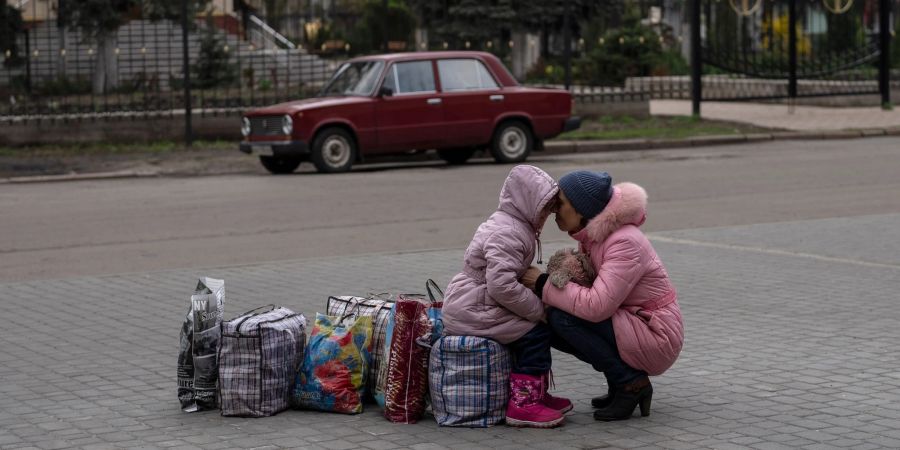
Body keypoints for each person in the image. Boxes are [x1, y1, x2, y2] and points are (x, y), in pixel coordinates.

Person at [522, 170, 684, 421]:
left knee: (562, 319)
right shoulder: (595, 237)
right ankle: (619, 379)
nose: (555, 210)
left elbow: (598, 306)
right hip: (636, 322)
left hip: (657, 333)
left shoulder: (624, 242)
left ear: (582, 209)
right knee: (551, 321)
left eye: (561, 203)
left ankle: (631, 384)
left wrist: (543, 284)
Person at [442, 165, 570, 428]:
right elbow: (501, 286)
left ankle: (536, 393)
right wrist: (538, 309)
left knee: (530, 331)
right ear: (528, 203)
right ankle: (524, 405)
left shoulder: (511, 223)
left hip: (477, 301)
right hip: (475, 306)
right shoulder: (509, 232)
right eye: (544, 207)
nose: (547, 215)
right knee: (535, 333)